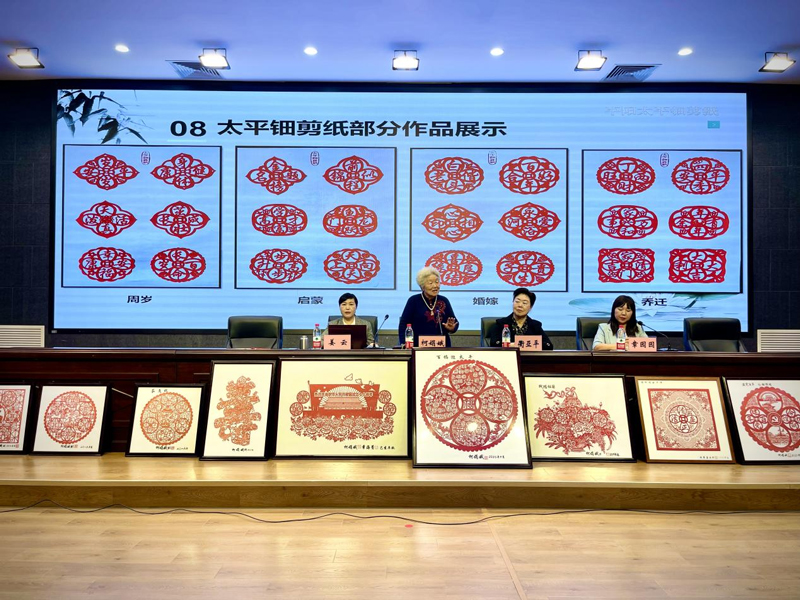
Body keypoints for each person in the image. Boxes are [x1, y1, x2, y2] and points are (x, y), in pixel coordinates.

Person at [398, 267, 459, 347]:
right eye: (430, 283)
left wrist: (452, 328)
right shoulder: (413, 301)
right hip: (418, 347)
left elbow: (454, 323)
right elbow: (403, 325)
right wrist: (404, 344)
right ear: (422, 286)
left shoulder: (444, 301)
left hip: (441, 347)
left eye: (437, 282)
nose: (435, 286)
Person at [488, 287, 553, 350]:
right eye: (517, 301)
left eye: (524, 303)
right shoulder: (501, 323)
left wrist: (523, 345)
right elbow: (494, 344)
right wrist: (511, 345)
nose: (520, 305)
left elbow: (548, 346)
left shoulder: (535, 326)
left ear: (530, 307)